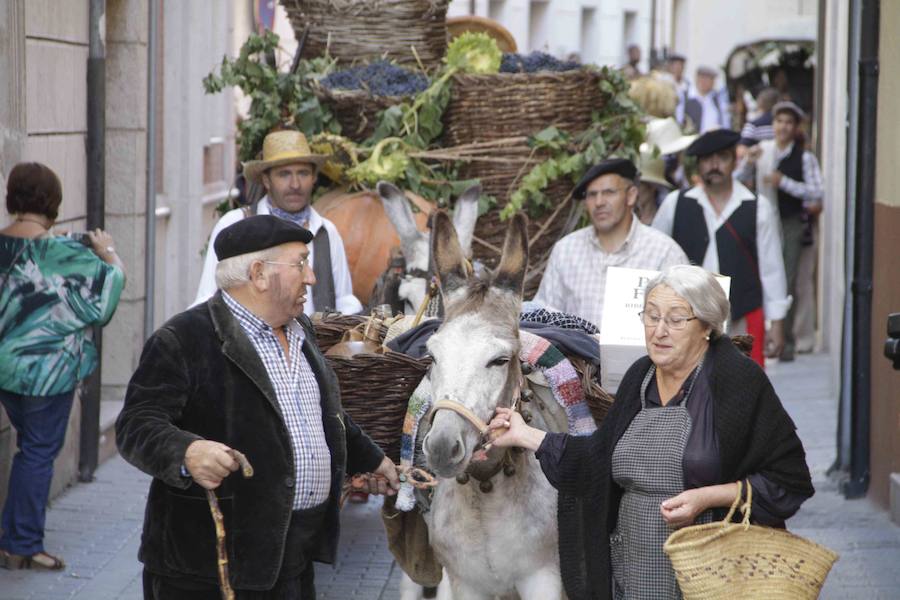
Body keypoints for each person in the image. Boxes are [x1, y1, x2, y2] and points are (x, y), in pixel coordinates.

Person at [488, 265, 814, 600]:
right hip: (635, 574)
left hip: (713, 575)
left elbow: (788, 479)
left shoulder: (738, 381)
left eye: (675, 320)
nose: (659, 331)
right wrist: (524, 435)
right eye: (652, 316)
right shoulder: (639, 377)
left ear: (706, 325)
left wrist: (707, 497)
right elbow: (597, 460)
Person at [117, 215, 399, 598]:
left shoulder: (303, 331)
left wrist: (374, 460)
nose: (312, 277)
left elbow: (323, 414)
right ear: (259, 274)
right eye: (301, 263)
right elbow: (136, 423)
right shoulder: (184, 338)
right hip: (208, 572)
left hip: (292, 561)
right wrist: (185, 451)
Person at [0, 162, 125, 570]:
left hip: (4, 369)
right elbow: (104, 302)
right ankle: (22, 545)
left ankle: (17, 537)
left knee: (28, 451)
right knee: (37, 452)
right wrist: (108, 253)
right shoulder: (64, 252)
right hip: (46, 373)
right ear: (53, 203)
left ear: (11, 198)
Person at [652, 129, 791, 367]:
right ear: (698, 164)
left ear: (734, 160)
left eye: (722, 158)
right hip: (686, 319)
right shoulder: (675, 204)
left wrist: (776, 322)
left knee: (744, 391)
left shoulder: (758, 207)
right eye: (707, 159)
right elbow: (654, 257)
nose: (714, 165)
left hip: (740, 317)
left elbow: (772, 268)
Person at [193, 129, 362, 316]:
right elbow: (207, 300)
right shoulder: (235, 225)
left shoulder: (326, 232)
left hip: (316, 344)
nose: (295, 184)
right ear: (266, 179)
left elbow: (344, 303)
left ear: (314, 178)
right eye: (284, 174)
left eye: (303, 173)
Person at [533, 158, 688, 330]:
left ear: (631, 196)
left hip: (646, 356)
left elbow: (683, 321)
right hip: (575, 356)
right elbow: (543, 319)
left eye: (609, 192)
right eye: (592, 195)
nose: (599, 202)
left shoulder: (664, 252)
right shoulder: (566, 250)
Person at [736, 101, 824, 361]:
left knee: (787, 277)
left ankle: (785, 339)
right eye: (779, 121)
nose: (783, 126)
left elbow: (817, 193)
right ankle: (769, 336)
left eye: (788, 122)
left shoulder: (805, 157)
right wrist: (747, 163)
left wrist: (783, 182)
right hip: (764, 221)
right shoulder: (762, 151)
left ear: (795, 128)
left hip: (792, 222)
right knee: (765, 274)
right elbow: (738, 180)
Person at [679, 66, 730, 133]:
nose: (705, 82)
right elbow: (679, 121)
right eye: (703, 78)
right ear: (697, 79)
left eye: (709, 79)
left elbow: (725, 123)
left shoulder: (718, 99)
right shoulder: (685, 97)